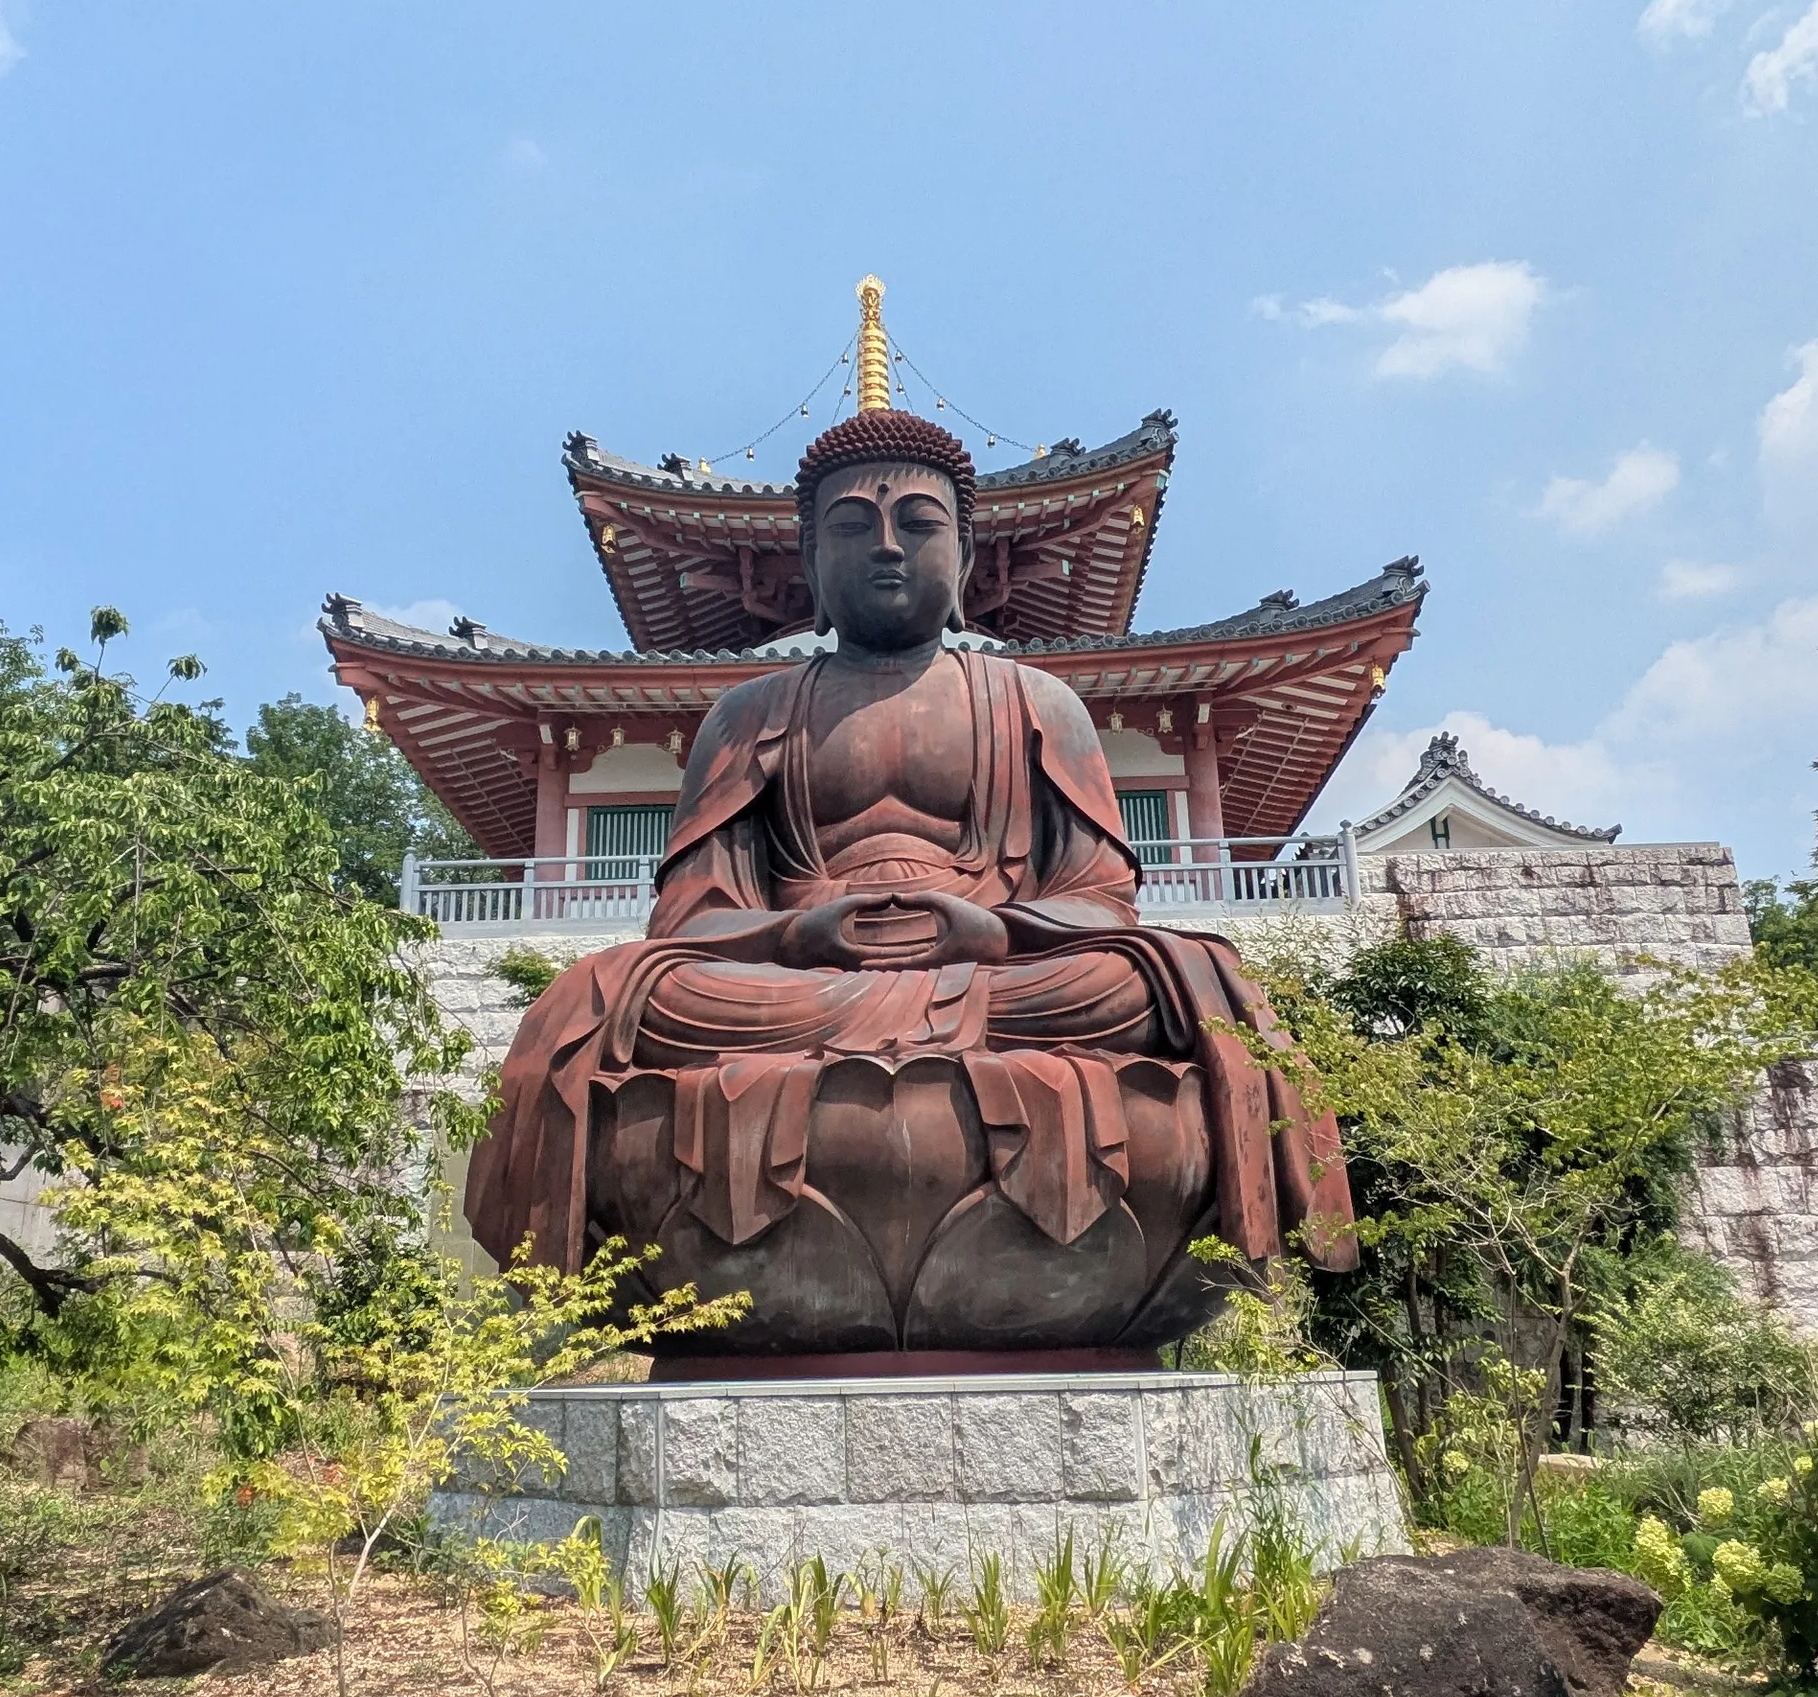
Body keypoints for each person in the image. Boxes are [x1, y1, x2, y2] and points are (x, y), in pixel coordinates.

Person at [465, 406, 1352, 1367]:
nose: (886, 547)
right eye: (851, 527)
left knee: (1164, 978)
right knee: (614, 991)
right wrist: (798, 936)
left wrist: (995, 929)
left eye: (919, 524)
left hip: (1000, 971)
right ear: (808, 558)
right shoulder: (750, 712)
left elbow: (1102, 899)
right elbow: (693, 912)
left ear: (966, 555)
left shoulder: (1034, 702)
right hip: (796, 982)